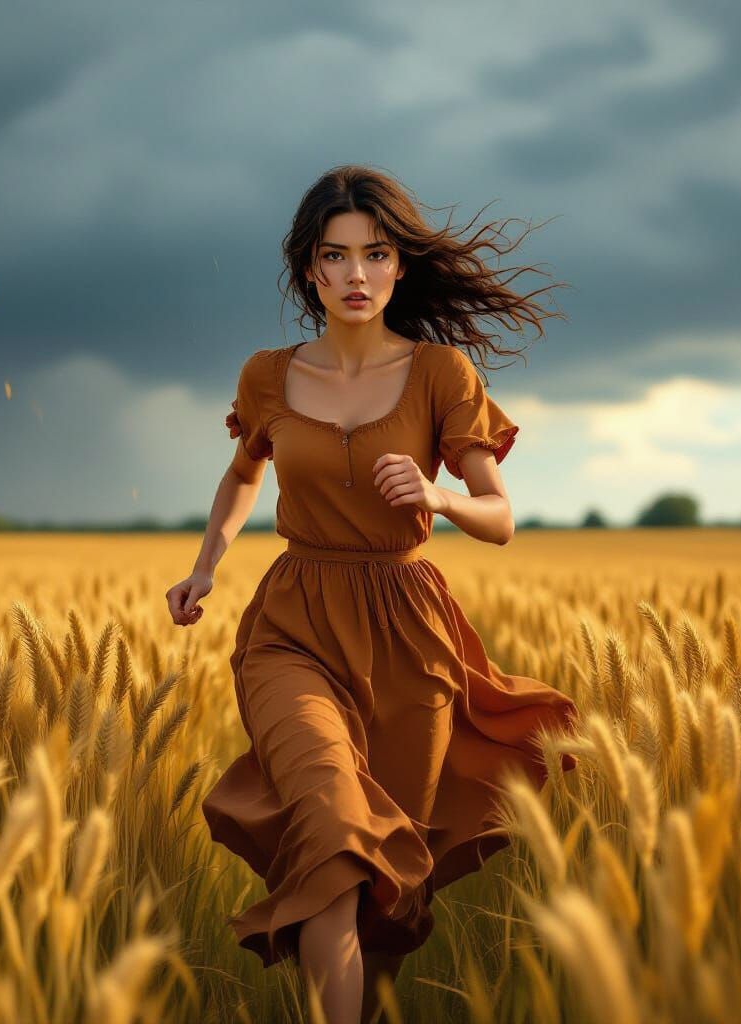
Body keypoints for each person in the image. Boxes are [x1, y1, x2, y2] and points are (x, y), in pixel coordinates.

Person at [167, 164, 580, 1024]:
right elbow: (243, 476)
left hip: (408, 632)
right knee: (330, 837)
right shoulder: (269, 376)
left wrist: (438, 497)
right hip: (294, 627)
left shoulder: (441, 375)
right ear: (309, 270)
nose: (357, 274)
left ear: (399, 267)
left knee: (388, 885)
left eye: (376, 254)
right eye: (336, 256)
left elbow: (500, 518)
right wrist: (206, 566)